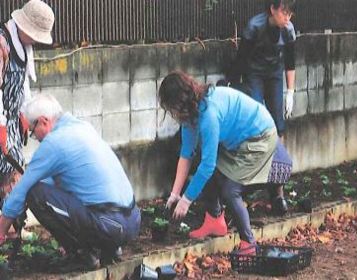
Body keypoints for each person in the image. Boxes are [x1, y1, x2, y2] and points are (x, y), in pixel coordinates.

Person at [0, 94, 141, 269]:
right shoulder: (82, 127)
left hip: (109, 225)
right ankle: (109, 248)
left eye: (33, 132)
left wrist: (1, 230)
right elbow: (56, 182)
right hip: (132, 220)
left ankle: (82, 255)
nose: (35, 138)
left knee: (33, 193)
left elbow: (23, 189)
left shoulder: (53, 143)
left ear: (43, 121)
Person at [161, 71, 292, 252]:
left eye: (170, 107)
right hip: (238, 139)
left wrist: (186, 200)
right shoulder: (189, 115)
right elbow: (186, 154)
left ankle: (249, 243)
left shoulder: (208, 115)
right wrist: (175, 194)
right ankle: (215, 221)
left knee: (231, 190)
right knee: (205, 167)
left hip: (259, 136)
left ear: (179, 102)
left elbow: (208, 166)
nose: (171, 113)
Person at [0, 0, 54, 198]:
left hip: (12, 122)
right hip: (1, 122)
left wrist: (24, 112)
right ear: (24, 26)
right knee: (4, 179)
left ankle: (11, 227)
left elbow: (24, 83)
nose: (35, 40)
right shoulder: (2, 44)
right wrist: (1, 125)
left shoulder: (23, 46)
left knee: (14, 178)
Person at [226, 0, 296, 139]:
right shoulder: (254, 26)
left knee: (277, 119)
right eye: (284, 13)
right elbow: (241, 59)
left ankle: (279, 159)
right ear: (272, 9)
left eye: (290, 14)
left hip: (275, 72)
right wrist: (231, 84)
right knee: (256, 116)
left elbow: (290, 62)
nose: (287, 18)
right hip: (254, 73)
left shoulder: (288, 29)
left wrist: (290, 92)